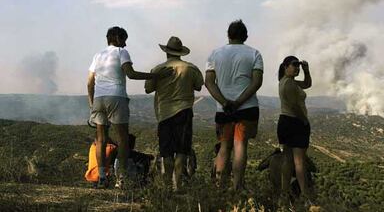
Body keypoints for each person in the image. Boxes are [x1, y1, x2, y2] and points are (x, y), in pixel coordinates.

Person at [87, 26, 172, 188]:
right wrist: (157, 76)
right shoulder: (121, 52)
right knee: (123, 139)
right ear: (118, 38)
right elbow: (131, 74)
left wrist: (92, 104)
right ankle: (121, 179)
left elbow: (90, 81)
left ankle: (102, 177)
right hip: (116, 96)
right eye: (124, 40)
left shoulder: (98, 55)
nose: (125, 45)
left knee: (101, 139)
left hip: (98, 98)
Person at [205, 19, 263, 190]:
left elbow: (209, 82)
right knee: (240, 145)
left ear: (228, 35)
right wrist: (238, 102)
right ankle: (237, 187)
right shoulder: (255, 54)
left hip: (224, 110)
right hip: (247, 108)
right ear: (245, 36)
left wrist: (224, 102)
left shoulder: (214, 54)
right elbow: (257, 82)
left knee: (224, 147)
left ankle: (218, 187)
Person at [144, 36, 204, 190]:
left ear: (166, 52)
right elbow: (198, 86)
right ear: (181, 53)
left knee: (167, 152)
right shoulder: (191, 68)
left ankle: (166, 186)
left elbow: (148, 89)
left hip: (164, 114)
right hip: (184, 112)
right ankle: (178, 185)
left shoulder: (158, 69)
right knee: (182, 150)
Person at [277, 56, 313, 207]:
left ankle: (284, 193)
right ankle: (305, 196)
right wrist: (304, 120)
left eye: (298, 66)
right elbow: (294, 106)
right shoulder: (289, 84)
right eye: (294, 65)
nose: (297, 68)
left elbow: (307, 84)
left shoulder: (287, 81)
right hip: (295, 122)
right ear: (286, 67)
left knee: (287, 160)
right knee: (299, 161)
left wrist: (306, 70)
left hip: (285, 121)